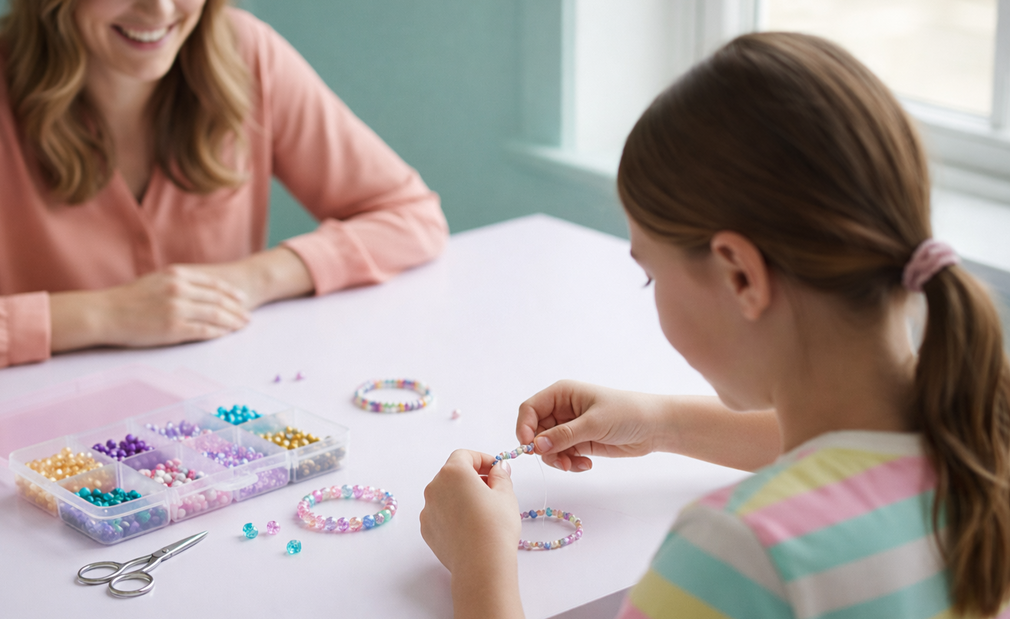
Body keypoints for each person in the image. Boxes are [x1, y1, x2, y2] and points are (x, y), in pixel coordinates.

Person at [420, 32, 1010, 619]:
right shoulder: (985, 435)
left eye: (652, 276)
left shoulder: (739, 555)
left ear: (742, 277)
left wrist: (480, 566)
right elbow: (850, 450)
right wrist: (663, 423)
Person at [0, 0, 447, 377]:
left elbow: (410, 216)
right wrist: (106, 314)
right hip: (21, 441)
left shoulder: (250, 54)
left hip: (214, 420)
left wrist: (254, 278)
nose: (161, 9)